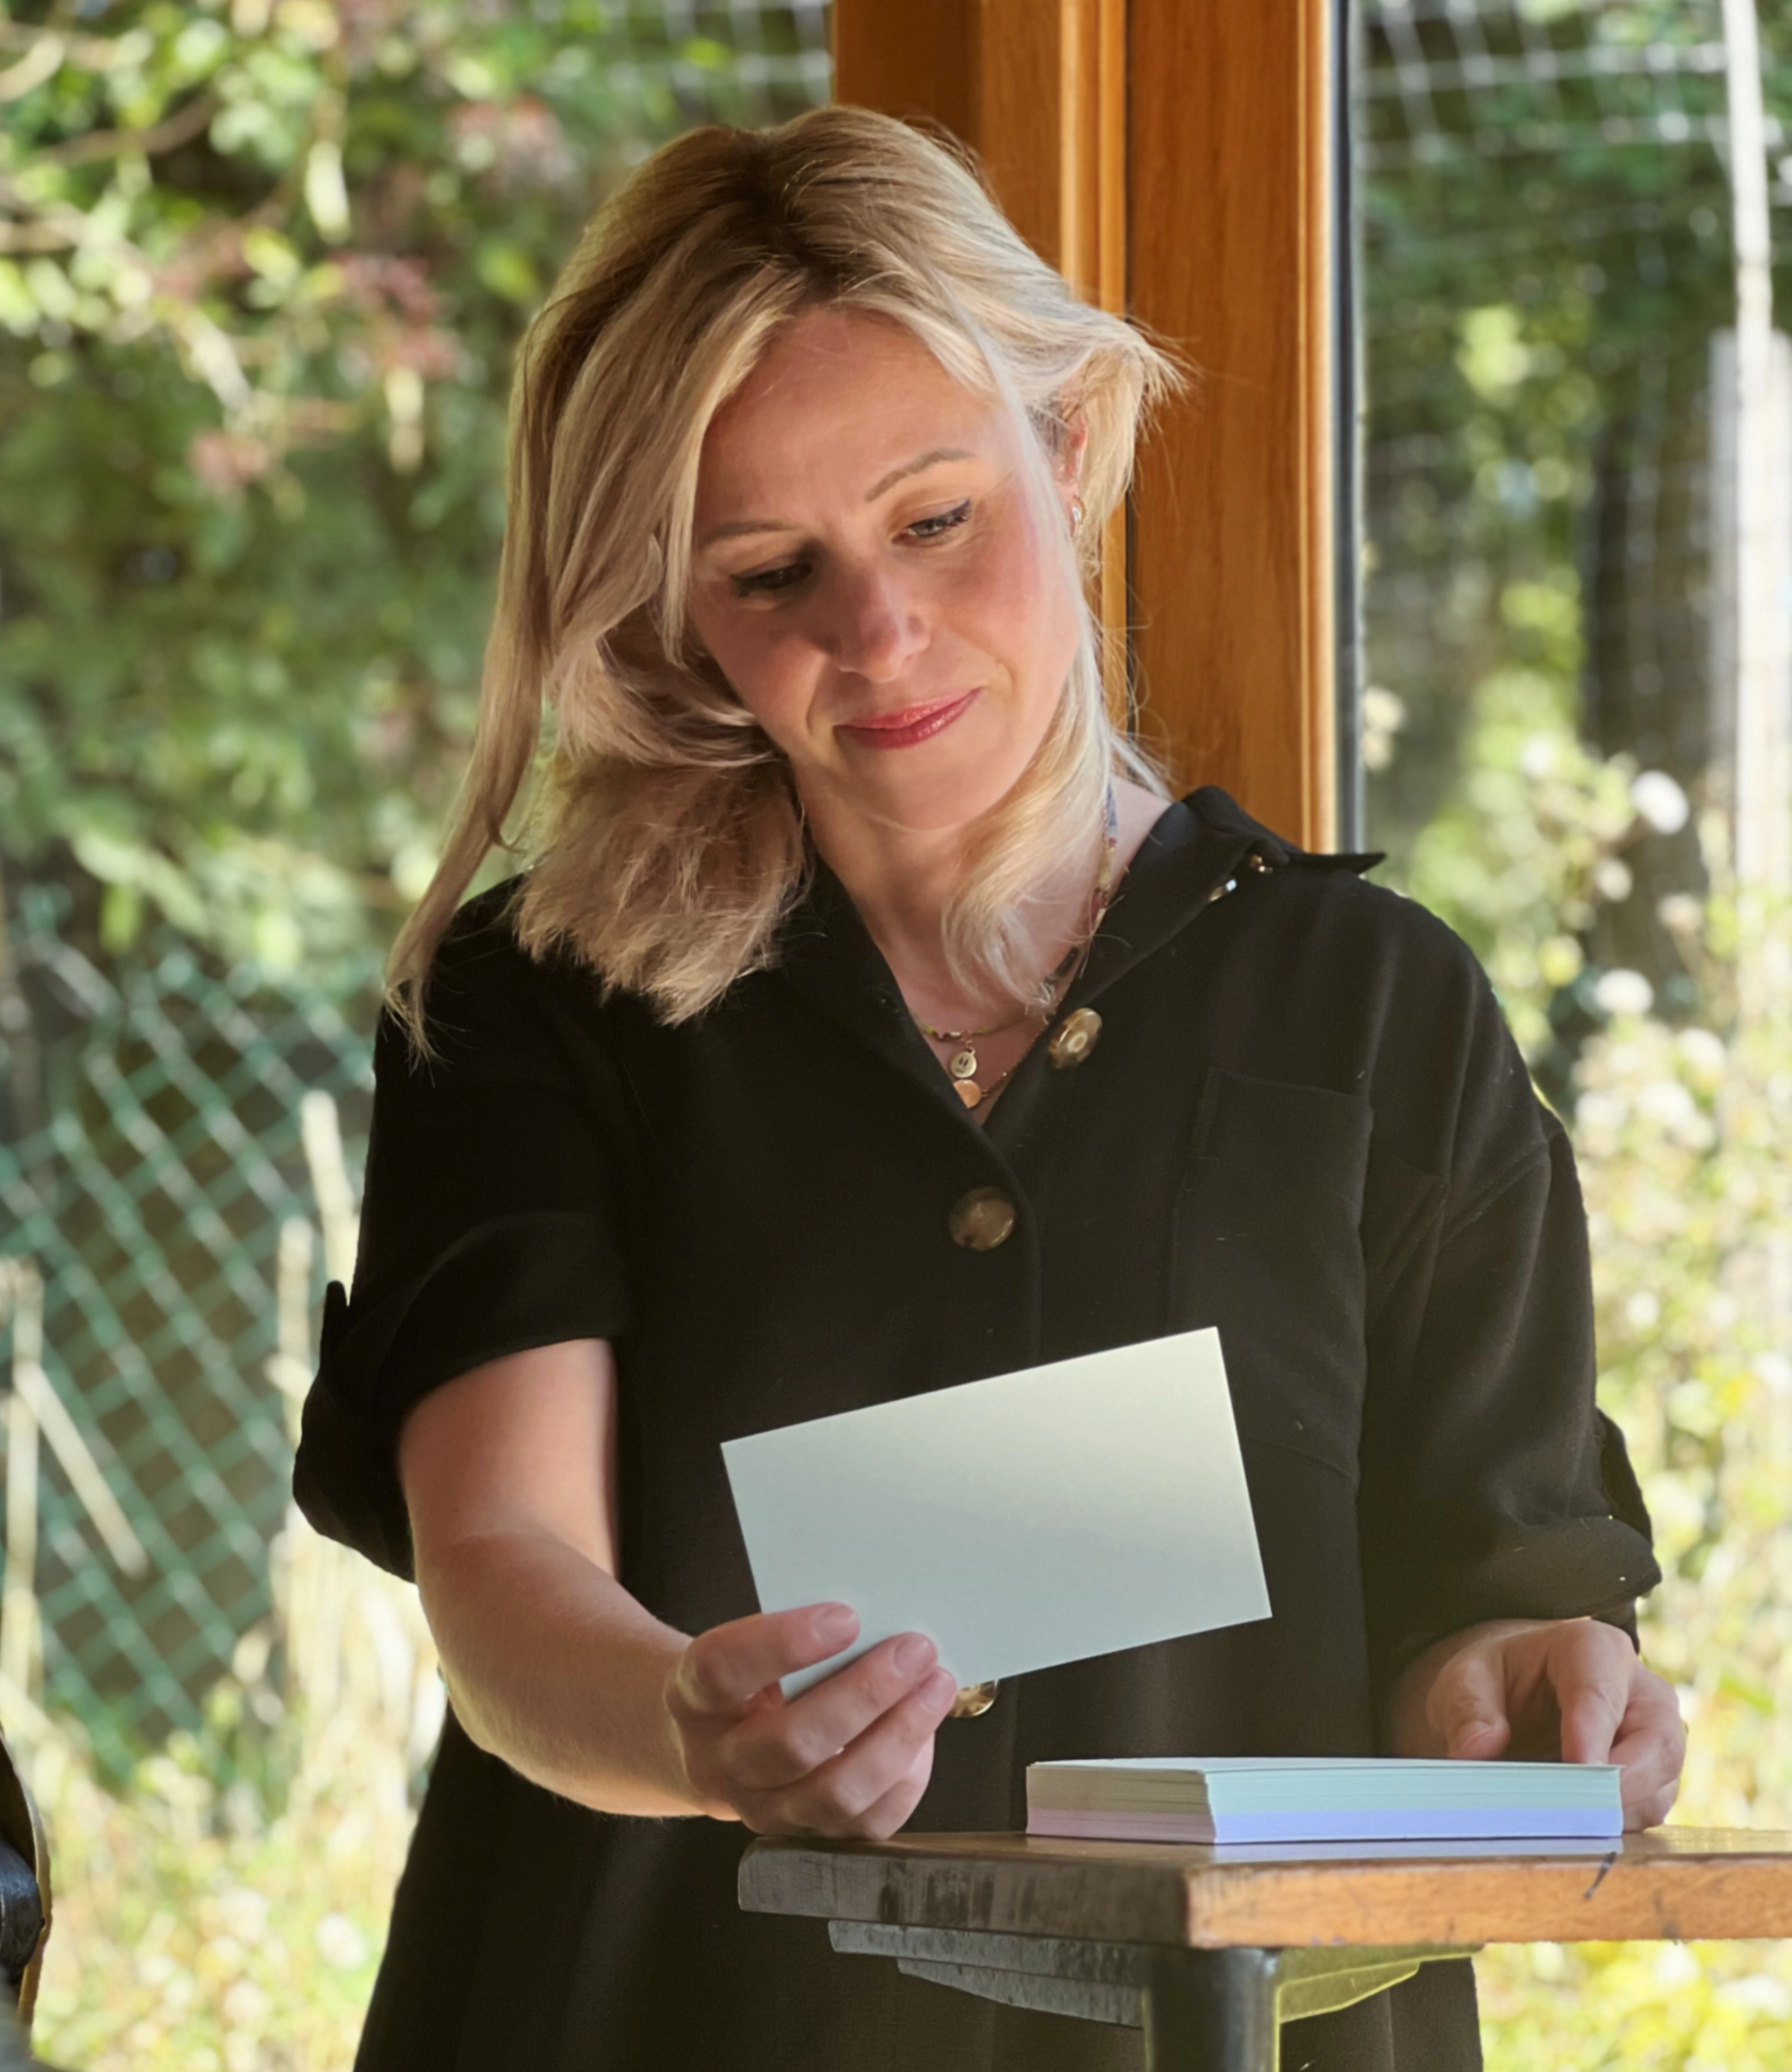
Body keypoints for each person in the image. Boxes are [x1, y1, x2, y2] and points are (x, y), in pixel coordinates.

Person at [294, 106, 1686, 2072]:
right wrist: (693, 1716)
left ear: (1070, 438)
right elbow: (506, 1568)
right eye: (769, 571)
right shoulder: (541, 1007)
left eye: (937, 518)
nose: (877, 637)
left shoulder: (1379, 1013)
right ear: (668, 613)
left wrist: (1534, 1687)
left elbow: (1490, 1572)